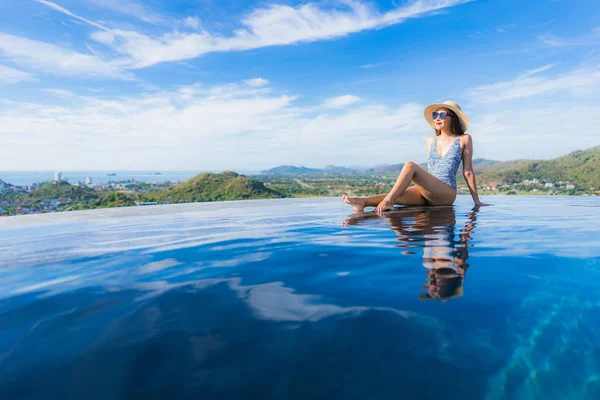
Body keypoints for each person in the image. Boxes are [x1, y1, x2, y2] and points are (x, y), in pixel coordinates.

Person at [342, 100, 490, 214]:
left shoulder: (464, 139)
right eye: (435, 115)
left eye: (442, 115)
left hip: (446, 193)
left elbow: (468, 172)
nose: (437, 118)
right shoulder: (430, 141)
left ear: (453, 118)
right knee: (397, 194)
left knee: (410, 166)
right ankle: (362, 202)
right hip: (429, 192)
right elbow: (432, 170)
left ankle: (388, 202)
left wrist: (476, 202)